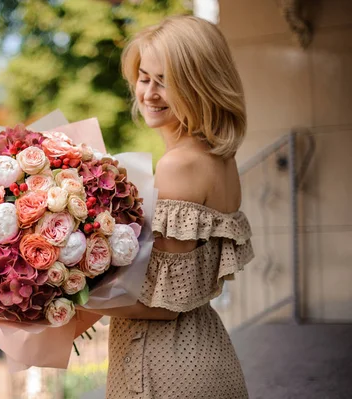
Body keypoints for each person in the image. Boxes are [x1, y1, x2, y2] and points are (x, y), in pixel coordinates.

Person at [83, 16, 255, 398]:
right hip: (206, 351)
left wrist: (60, 298)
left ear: (200, 86)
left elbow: (165, 305)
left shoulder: (179, 165)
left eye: (167, 81)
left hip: (164, 366)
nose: (150, 93)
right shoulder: (220, 158)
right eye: (145, 77)